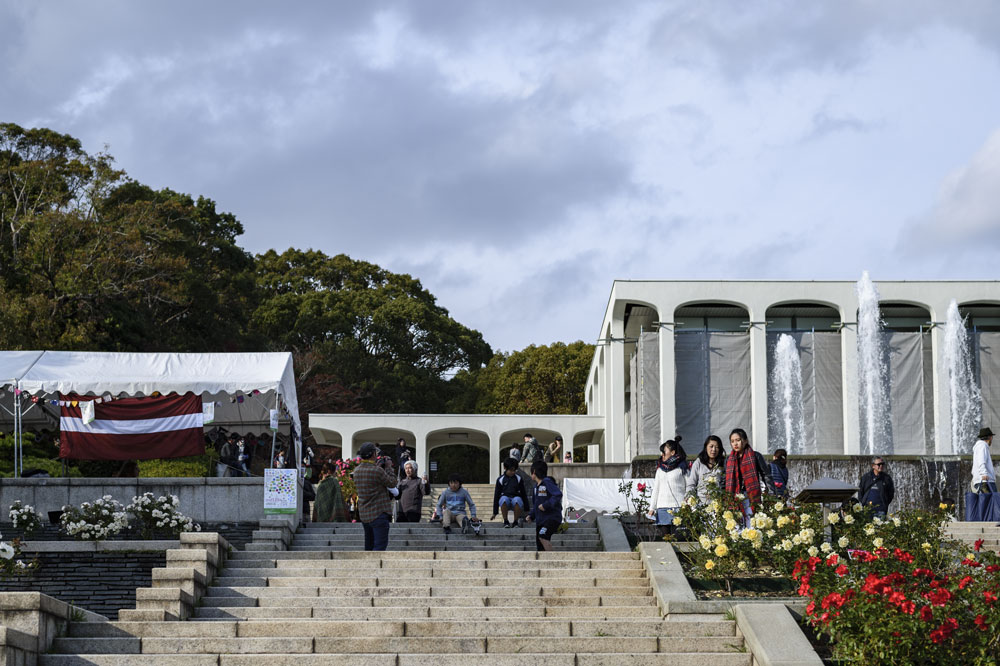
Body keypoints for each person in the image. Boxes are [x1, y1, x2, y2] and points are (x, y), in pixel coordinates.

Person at [352, 441, 399, 550]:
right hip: (378, 513)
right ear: (373, 454)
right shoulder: (377, 471)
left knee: (369, 546)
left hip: (364, 514)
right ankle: (375, 566)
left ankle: (367, 566)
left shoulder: (357, 471)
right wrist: (388, 467)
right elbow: (392, 482)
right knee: (379, 546)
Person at [724, 428, 775, 514]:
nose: (735, 444)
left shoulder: (756, 456)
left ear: (745, 441)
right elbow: (724, 480)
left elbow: (766, 475)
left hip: (751, 495)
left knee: (751, 522)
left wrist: (771, 494)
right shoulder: (729, 460)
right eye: (732, 441)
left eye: (738, 440)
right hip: (735, 496)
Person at [647, 437, 688, 529]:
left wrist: (688, 504)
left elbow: (689, 487)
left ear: (672, 453)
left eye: (664, 451)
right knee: (666, 540)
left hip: (678, 508)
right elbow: (656, 490)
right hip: (662, 508)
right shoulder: (660, 470)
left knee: (679, 539)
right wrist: (652, 508)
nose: (662, 455)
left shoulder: (682, 468)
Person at [527, 460, 563, 552]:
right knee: (539, 544)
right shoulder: (536, 487)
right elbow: (536, 504)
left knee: (543, 536)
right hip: (540, 520)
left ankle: (553, 560)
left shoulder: (547, 482)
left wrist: (546, 505)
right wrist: (531, 515)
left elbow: (557, 494)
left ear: (534, 471)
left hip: (551, 518)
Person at [686, 435, 726, 503]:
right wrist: (689, 498)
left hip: (718, 504)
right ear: (706, 447)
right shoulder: (698, 463)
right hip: (701, 504)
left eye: (717, 447)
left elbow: (725, 484)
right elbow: (691, 484)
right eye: (711, 446)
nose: (713, 450)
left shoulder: (723, 463)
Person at [492, 458, 529, 528]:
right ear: (505, 468)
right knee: (504, 499)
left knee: (517, 500)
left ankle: (515, 521)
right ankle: (506, 521)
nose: (513, 472)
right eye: (511, 470)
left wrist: (527, 509)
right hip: (505, 498)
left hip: (515, 498)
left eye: (514, 470)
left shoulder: (518, 478)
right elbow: (496, 495)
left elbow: (523, 493)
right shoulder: (500, 479)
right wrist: (495, 512)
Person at [972, 427, 996, 493]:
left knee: (985, 501)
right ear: (990, 437)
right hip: (985, 481)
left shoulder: (979, 446)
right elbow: (981, 460)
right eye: (991, 437)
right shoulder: (983, 446)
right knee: (993, 501)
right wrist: (984, 474)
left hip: (982, 480)